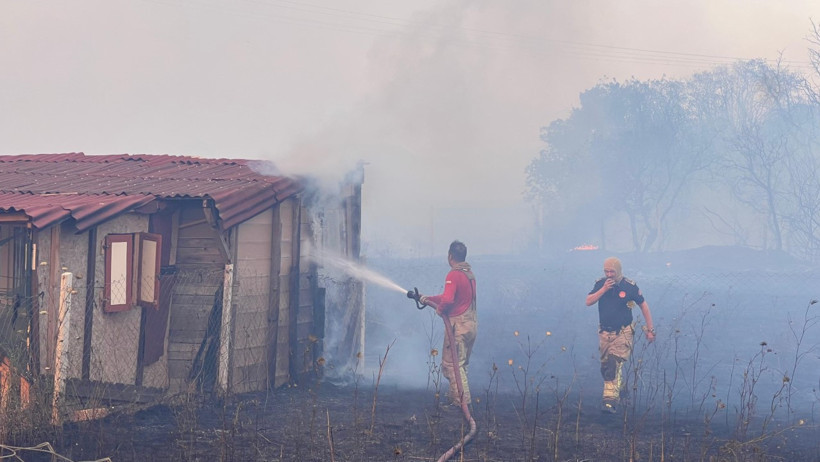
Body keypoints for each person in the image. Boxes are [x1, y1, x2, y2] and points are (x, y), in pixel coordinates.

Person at [585, 256, 655, 414]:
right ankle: (622, 391)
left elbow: (643, 305)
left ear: (619, 271)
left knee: (613, 363)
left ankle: (609, 402)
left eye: (612, 272)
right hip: (604, 332)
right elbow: (588, 301)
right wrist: (603, 290)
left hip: (623, 332)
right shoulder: (600, 284)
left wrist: (650, 329)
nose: (609, 275)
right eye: (606, 271)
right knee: (606, 366)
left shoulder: (629, 286)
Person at [420, 240, 478, 407]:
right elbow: (453, 298)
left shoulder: (453, 275)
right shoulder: (469, 274)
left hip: (458, 326)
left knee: (452, 366)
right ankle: (457, 400)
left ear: (450, 256)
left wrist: (439, 310)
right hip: (471, 325)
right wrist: (428, 299)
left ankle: (461, 404)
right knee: (461, 365)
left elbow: (448, 300)